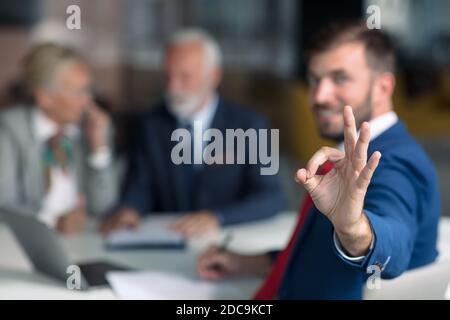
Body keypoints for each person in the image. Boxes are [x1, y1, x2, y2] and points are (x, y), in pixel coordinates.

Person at [196, 20, 441, 299]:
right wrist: (245, 262)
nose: (319, 96)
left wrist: (353, 229)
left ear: (383, 87)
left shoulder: (393, 162)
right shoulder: (349, 158)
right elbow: (320, 259)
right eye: (314, 79)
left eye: (340, 78)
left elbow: (395, 242)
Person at [100, 29, 286, 237]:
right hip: (165, 240)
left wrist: (217, 217)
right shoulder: (150, 124)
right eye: (167, 76)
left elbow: (271, 197)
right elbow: (139, 187)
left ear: (214, 76)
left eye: (184, 77)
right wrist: (130, 209)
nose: (172, 87)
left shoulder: (251, 124)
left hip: (229, 240)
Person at [0, 43, 118, 234]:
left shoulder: (95, 127)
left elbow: (104, 208)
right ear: (45, 97)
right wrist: (53, 222)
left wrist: (99, 150)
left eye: (89, 89)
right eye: (77, 92)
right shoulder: (8, 129)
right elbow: (4, 208)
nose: (87, 101)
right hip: (27, 242)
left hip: (85, 240)